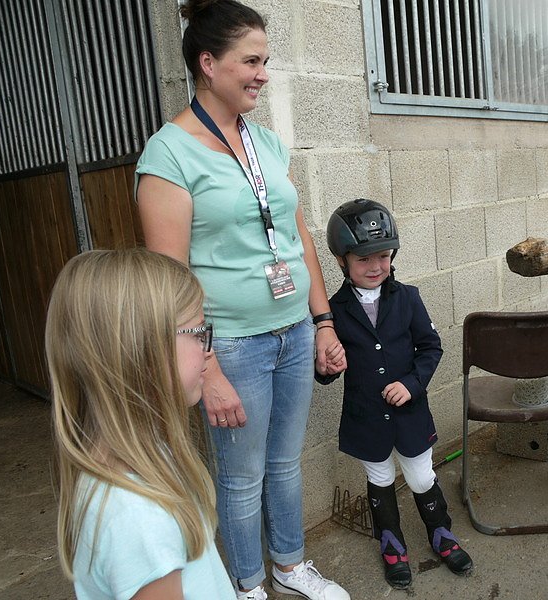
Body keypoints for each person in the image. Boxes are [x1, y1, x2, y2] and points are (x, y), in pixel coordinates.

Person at [135, 1, 349, 599]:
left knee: (284, 464)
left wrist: (323, 321)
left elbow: (297, 234)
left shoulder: (265, 143)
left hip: (292, 330)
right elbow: (168, 278)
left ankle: (289, 566)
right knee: (240, 475)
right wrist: (207, 369)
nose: (262, 74)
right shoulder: (169, 154)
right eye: (250, 61)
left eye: (266, 61)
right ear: (208, 64)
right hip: (229, 343)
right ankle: (247, 586)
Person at [48, 249, 233, 599]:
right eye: (197, 333)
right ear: (140, 350)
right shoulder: (139, 517)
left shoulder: (137, 462)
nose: (209, 349)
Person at [317, 199, 473, 589]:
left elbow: (431, 347)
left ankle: (441, 534)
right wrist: (325, 368)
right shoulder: (331, 312)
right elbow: (326, 372)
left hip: (410, 415)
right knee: (380, 478)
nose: (376, 266)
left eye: (384, 256)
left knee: (421, 476)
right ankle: (391, 543)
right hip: (366, 417)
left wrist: (412, 384)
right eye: (363, 259)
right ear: (341, 260)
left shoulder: (408, 297)